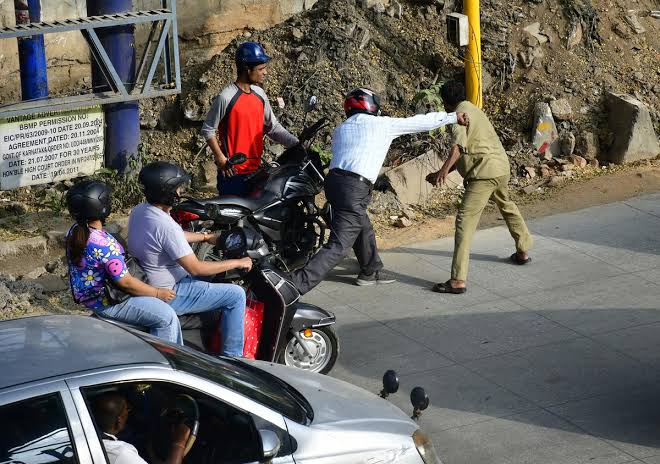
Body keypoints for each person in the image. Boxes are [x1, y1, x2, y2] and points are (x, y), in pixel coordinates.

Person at [291, 88, 469, 294]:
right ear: (371, 105)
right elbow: (420, 122)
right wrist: (452, 117)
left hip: (333, 183)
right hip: (354, 188)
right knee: (339, 245)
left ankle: (370, 269)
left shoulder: (341, 128)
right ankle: (296, 284)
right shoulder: (382, 125)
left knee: (360, 221)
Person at [128, 161, 252, 357]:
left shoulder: (141, 211)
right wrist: (238, 262)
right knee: (236, 295)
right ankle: (234, 357)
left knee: (217, 277)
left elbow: (174, 236)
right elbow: (196, 269)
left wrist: (205, 237)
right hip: (171, 291)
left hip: (151, 280)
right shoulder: (164, 224)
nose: (180, 192)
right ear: (167, 192)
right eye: (178, 188)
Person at [426, 80, 533, 294]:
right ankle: (523, 251)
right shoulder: (474, 109)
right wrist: (442, 171)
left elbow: (458, 148)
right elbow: (472, 150)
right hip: (501, 167)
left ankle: (457, 280)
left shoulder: (458, 116)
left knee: (464, 221)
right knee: (506, 205)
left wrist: (443, 172)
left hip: (484, 174)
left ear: (446, 103)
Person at [66, 180, 183, 342]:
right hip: (108, 303)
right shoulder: (104, 244)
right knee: (167, 317)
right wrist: (157, 293)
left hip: (90, 298)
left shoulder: (74, 231)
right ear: (102, 206)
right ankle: (166, 363)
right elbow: (126, 283)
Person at [201, 42, 299, 196]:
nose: (265, 72)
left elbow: (273, 127)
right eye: (261, 69)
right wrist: (220, 158)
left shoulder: (260, 95)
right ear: (247, 69)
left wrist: (296, 144)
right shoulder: (226, 97)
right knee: (233, 219)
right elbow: (208, 130)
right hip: (232, 174)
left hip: (256, 172)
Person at [92, 392, 190, 464]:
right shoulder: (119, 453)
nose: (128, 412)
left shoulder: (92, 438)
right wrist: (179, 442)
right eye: (127, 409)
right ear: (119, 420)